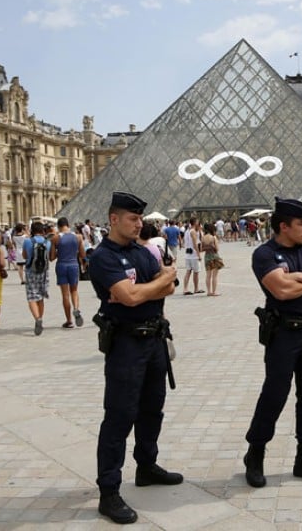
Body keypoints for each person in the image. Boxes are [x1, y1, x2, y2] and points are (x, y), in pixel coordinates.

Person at [89, 192, 181, 525]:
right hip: (126, 345)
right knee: (119, 416)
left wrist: (155, 285)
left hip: (154, 340)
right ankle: (109, 491)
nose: (139, 224)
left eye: (140, 219)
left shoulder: (141, 253)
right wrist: (161, 280)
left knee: (152, 408)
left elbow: (166, 289)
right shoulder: (102, 257)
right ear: (114, 219)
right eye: (132, 219)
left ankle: (146, 465)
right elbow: (129, 297)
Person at [243, 196, 302, 488]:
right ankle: (255, 453)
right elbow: (281, 292)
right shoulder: (264, 254)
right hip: (283, 334)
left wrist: (296, 276)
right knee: (274, 395)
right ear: (283, 226)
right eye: (300, 224)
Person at [51, 217, 86, 329]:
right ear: (68, 225)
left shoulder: (56, 238)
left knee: (65, 294)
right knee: (74, 290)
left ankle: (69, 321)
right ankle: (76, 308)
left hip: (61, 265)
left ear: (59, 226)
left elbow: (51, 257)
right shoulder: (78, 237)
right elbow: (83, 255)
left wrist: (58, 252)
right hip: (73, 265)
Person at [22, 221, 51, 336]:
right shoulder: (47, 242)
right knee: (40, 297)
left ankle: (37, 319)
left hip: (31, 271)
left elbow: (24, 256)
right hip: (44, 273)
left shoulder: (28, 241)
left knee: (31, 297)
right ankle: (40, 318)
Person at [181, 218, 203, 295]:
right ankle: (196, 288)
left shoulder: (187, 231)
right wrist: (199, 254)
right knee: (196, 272)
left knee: (188, 271)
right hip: (193, 255)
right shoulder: (193, 231)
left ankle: (185, 288)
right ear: (195, 222)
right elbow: (195, 244)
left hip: (188, 254)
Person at [201, 222, 223, 296]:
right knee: (214, 276)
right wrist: (212, 246)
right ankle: (214, 292)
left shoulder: (203, 237)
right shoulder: (213, 237)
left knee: (208, 275)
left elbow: (201, 249)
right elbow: (217, 249)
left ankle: (208, 291)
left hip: (207, 256)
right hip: (214, 256)